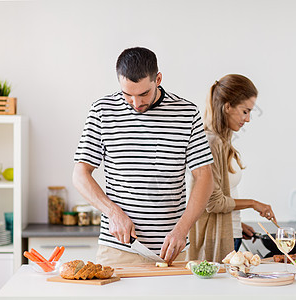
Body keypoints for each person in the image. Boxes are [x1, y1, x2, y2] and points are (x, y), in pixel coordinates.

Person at [73, 47, 214, 265]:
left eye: (143, 94)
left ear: (158, 79)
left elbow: (204, 176)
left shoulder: (187, 113)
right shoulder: (102, 111)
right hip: (119, 249)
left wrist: (182, 229)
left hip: (172, 250)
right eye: (127, 94)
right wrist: (113, 212)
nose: (136, 104)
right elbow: (80, 174)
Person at [187, 74, 276, 262]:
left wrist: (236, 223)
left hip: (231, 234)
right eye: (245, 111)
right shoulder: (211, 143)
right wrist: (253, 203)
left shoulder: (223, 142)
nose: (248, 119)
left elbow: (223, 195)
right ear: (227, 107)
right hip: (217, 241)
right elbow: (214, 202)